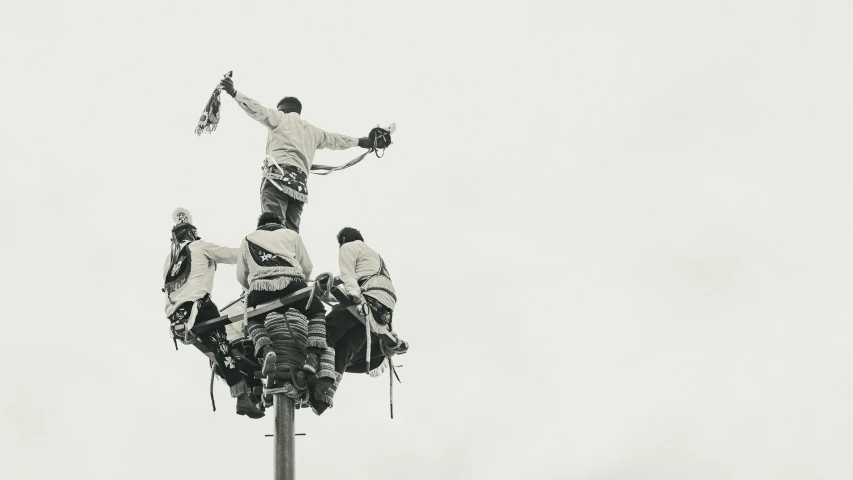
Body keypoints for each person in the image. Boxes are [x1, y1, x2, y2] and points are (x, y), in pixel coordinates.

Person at [219, 76, 376, 232]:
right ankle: (291, 255)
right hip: (299, 187)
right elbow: (336, 140)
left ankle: (273, 253)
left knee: (273, 227)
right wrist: (360, 141)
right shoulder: (314, 132)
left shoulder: (280, 118)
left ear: (282, 109)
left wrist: (234, 93)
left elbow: (257, 110)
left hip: (277, 178)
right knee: (292, 232)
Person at [163, 208, 265, 418]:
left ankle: (244, 393)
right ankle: (243, 395)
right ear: (192, 233)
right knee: (222, 345)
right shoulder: (200, 246)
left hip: (176, 317)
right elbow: (232, 255)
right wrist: (259, 252)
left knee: (221, 351)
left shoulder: (169, 260)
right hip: (198, 306)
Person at [236, 212, 333, 412]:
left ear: (259, 226)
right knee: (316, 312)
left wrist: (254, 286)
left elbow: (241, 276)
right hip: (292, 284)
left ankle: (266, 349)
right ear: (280, 223)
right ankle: (313, 357)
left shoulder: (247, 239)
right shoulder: (291, 235)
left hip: (260, 288)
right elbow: (307, 268)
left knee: (253, 319)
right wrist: (297, 283)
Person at [324, 227, 398, 382]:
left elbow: (348, 276)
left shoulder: (348, 246)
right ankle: (325, 394)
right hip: (381, 309)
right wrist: (326, 292)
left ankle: (319, 372)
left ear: (343, 240)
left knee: (326, 329)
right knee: (345, 349)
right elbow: (356, 280)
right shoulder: (373, 256)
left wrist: (356, 298)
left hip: (367, 301)